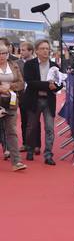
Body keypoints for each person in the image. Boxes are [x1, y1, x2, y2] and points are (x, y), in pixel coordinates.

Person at [22, 39, 63, 165]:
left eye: (47, 48)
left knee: (50, 128)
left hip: (49, 100)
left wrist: (55, 87)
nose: (46, 51)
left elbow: (60, 83)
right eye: (43, 48)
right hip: (34, 99)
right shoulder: (30, 64)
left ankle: (48, 154)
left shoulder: (54, 66)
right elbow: (31, 82)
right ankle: (30, 150)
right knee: (31, 127)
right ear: (37, 51)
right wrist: (48, 85)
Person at [0, 43, 27, 171]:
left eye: (4, 53)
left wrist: (9, 87)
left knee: (12, 131)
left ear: (8, 54)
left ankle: (16, 162)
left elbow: (21, 84)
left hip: (11, 102)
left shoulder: (14, 65)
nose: (2, 56)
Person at [16, 41, 34, 151]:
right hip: (22, 95)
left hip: (34, 95)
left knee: (34, 121)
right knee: (24, 120)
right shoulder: (17, 63)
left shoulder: (36, 62)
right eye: (20, 50)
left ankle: (36, 145)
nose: (21, 52)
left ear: (30, 51)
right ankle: (25, 143)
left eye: (23, 50)